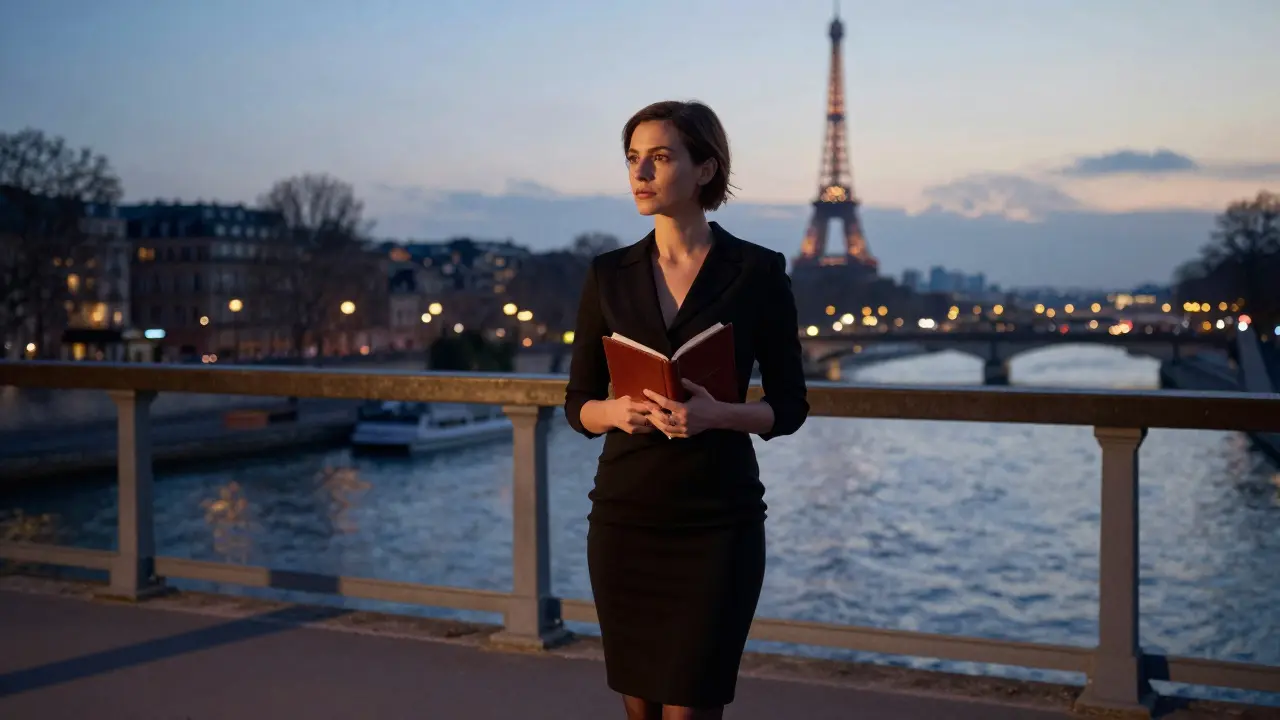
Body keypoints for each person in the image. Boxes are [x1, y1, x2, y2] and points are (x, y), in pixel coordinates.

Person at [563, 100, 810, 720]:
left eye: (661, 156)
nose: (640, 172)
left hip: (716, 522)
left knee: (691, 709)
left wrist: (718, 415)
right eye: (632, 158)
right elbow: (576, 404)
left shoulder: (757, 272)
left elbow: (790, 406)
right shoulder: (607, 275)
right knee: (640, 710)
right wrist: (614, 413)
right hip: (626, 516)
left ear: (705, 169)